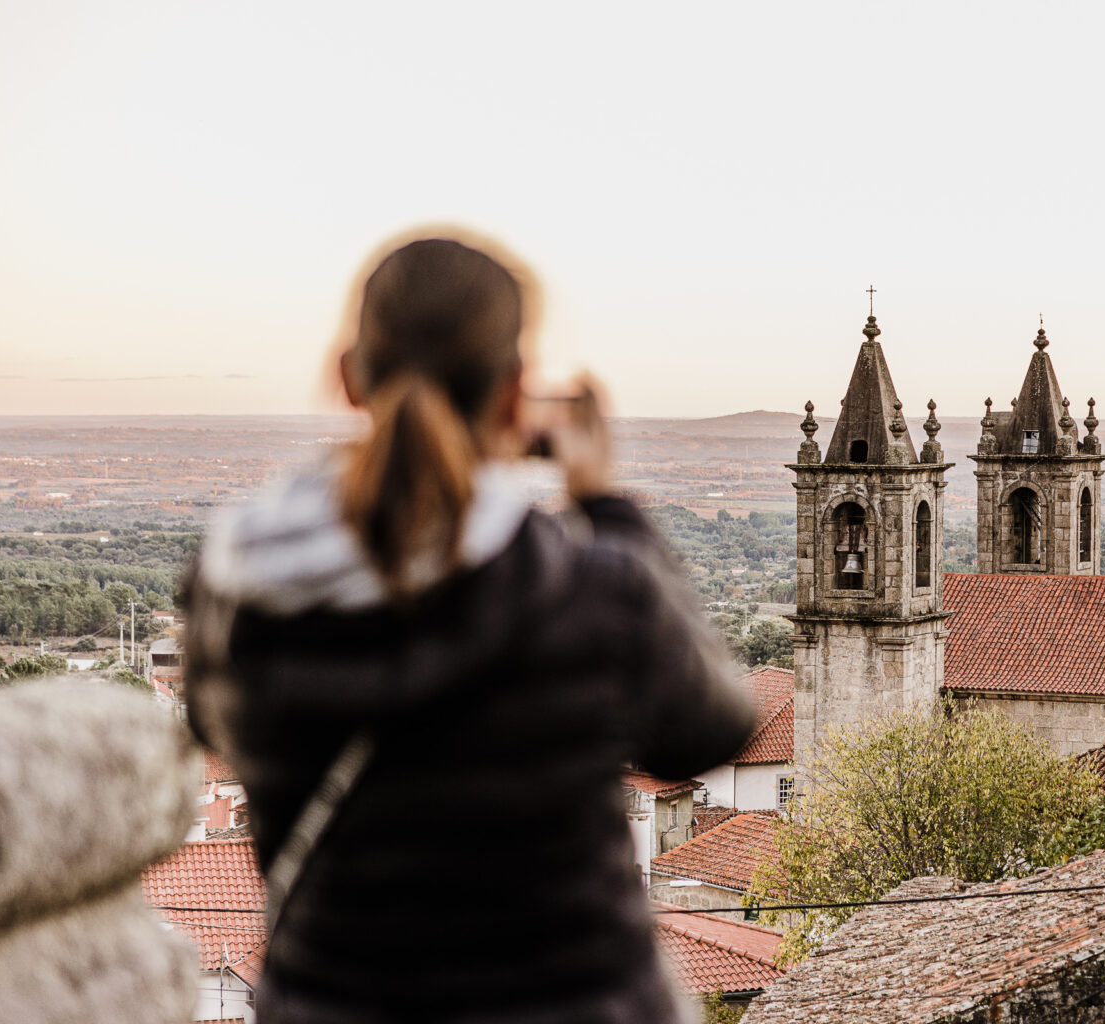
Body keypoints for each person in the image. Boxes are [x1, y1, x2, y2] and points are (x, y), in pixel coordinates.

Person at [181, 234, 756, 1023]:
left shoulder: (237, 591)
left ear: (348, 377)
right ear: (517, 396)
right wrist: (608, 508)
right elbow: (710, 730)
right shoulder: (588, 591)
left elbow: (212, 724)